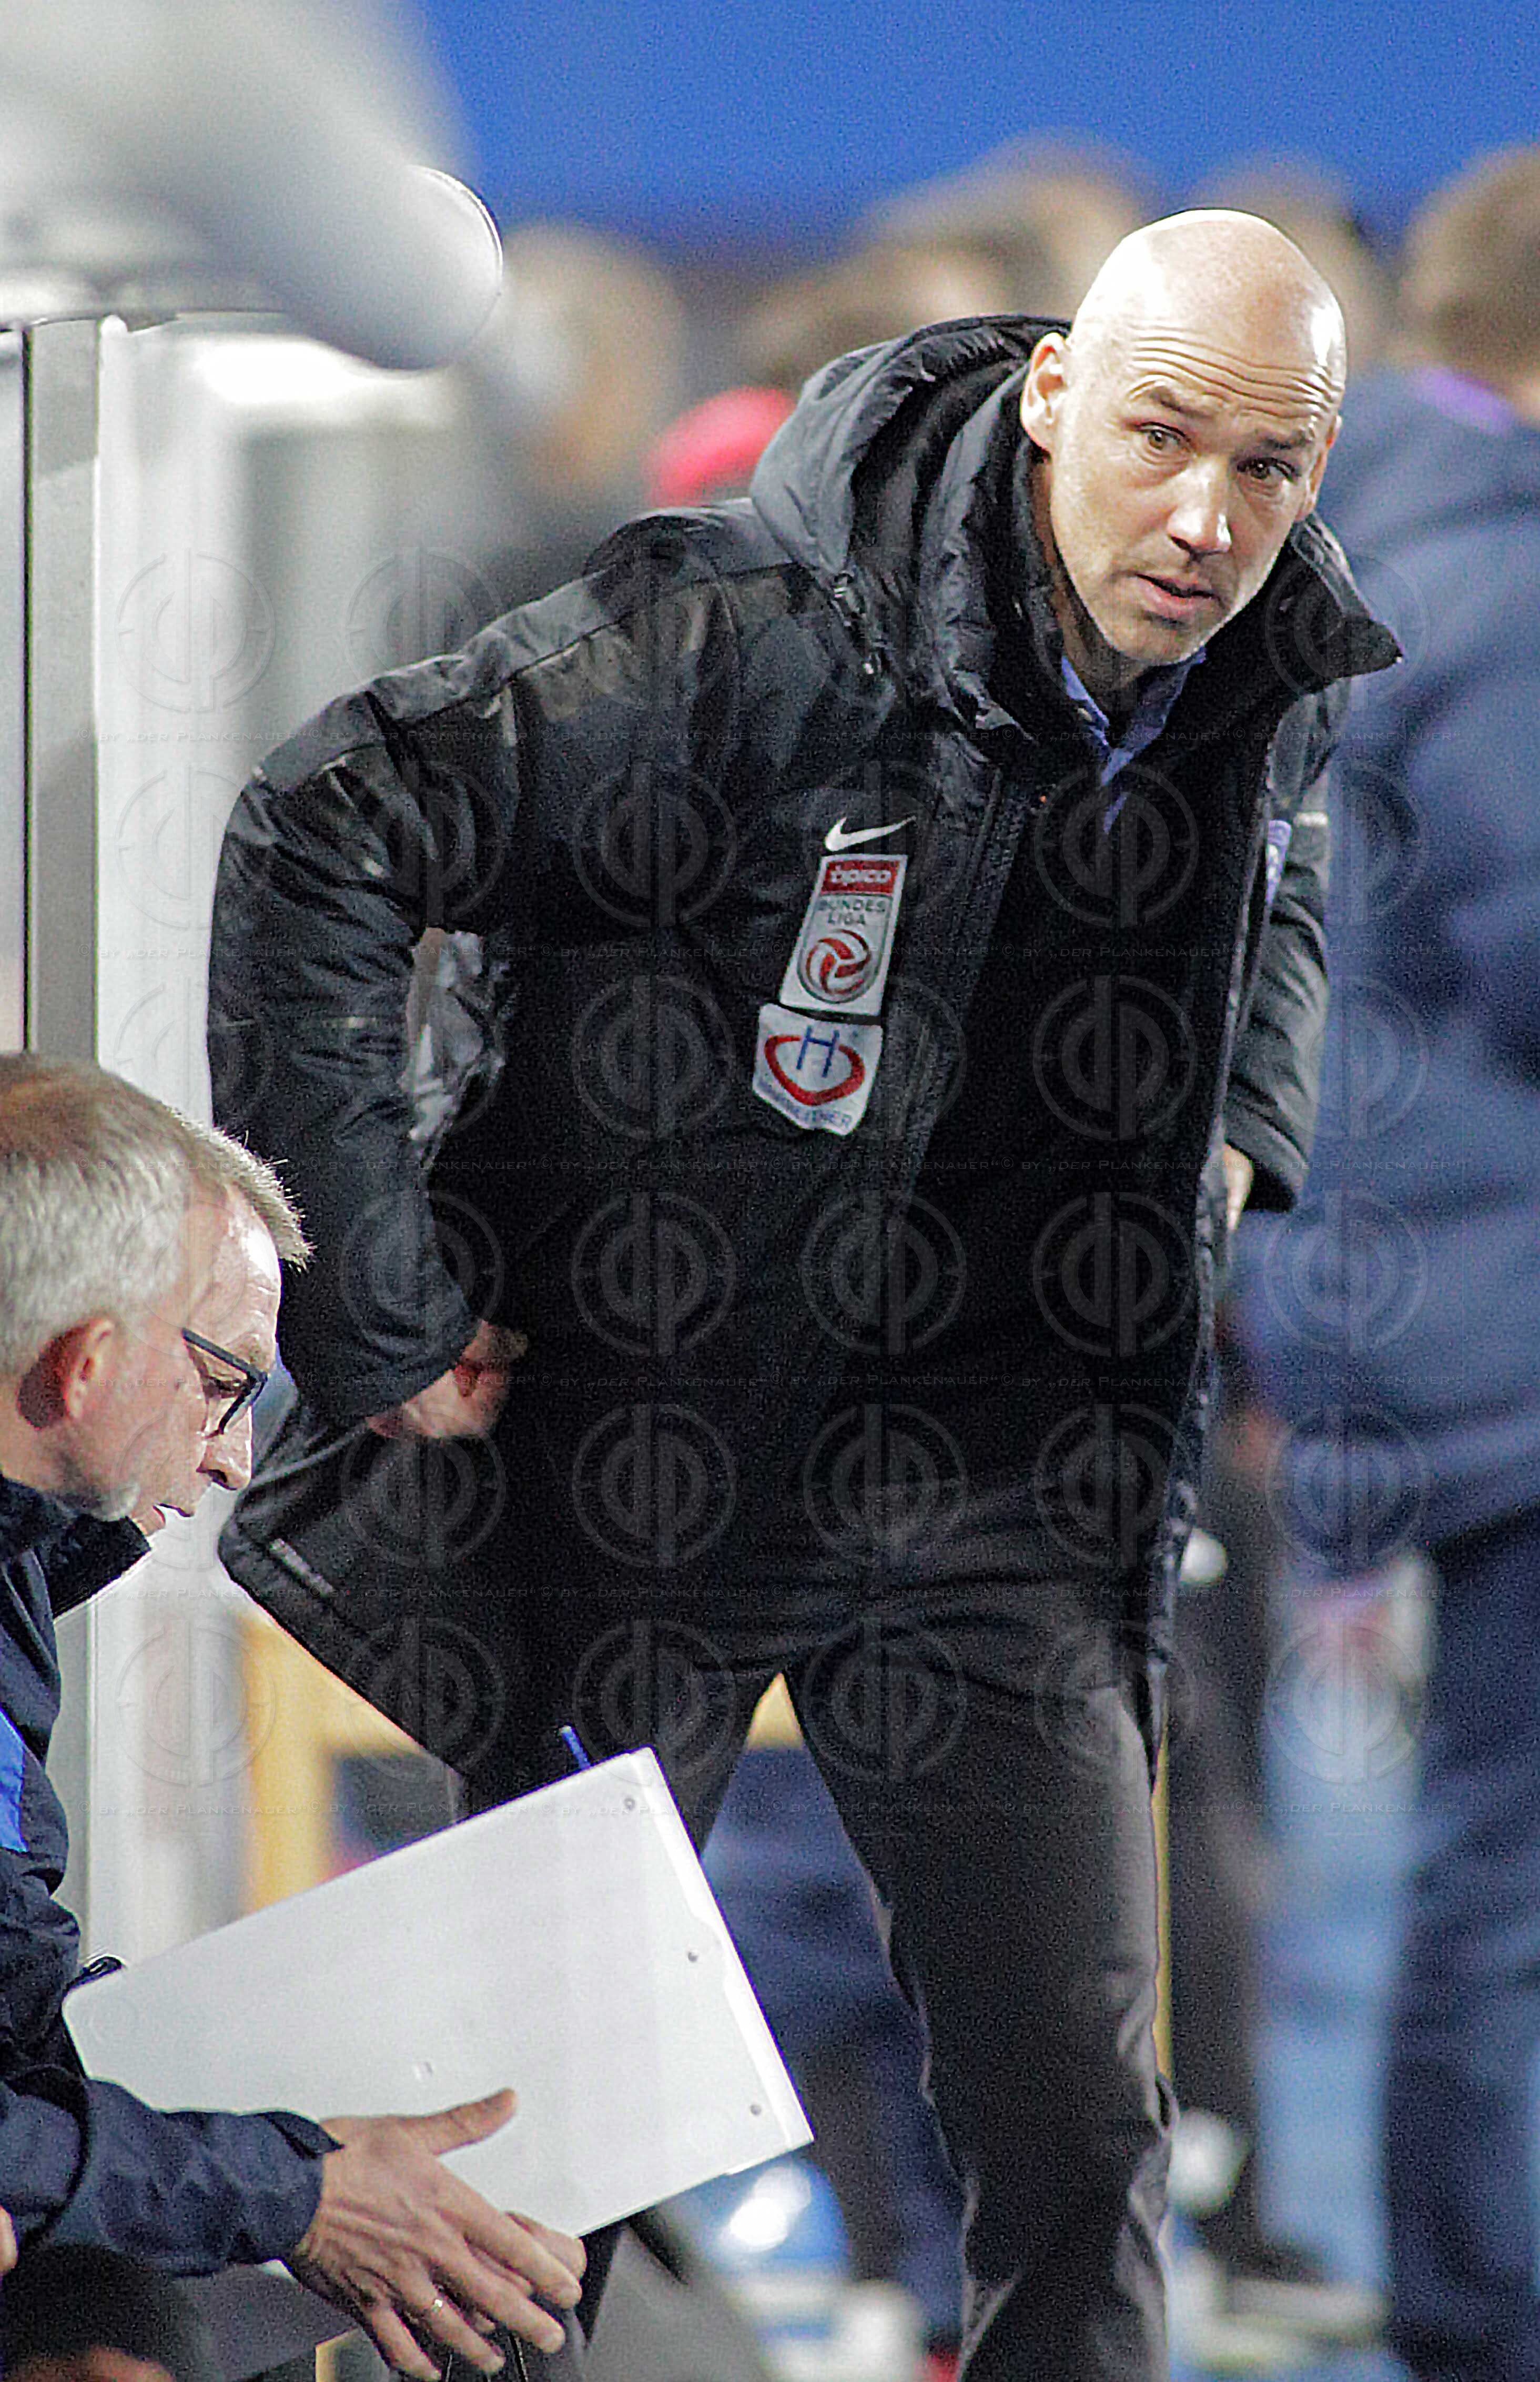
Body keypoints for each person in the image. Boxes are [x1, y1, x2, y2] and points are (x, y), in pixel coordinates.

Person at [207, 210, 1396, 2380]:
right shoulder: (735, 638)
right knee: (538, 2128)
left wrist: (1239, 1130)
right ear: (1052, 395)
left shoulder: (1262, 666)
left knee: (1085, 2130)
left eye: (1271, 469)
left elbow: (1281, 876)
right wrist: (377, 1289)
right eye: (1161, 440)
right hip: (652, 1446)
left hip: (1000, 1489)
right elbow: (323, 827)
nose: (1210, 521)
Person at [0, 1057, 585, 2378]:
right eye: (224, 1380)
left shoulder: (14, 1574)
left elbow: (12, 1983)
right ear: (88, 1362)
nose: (233, 1458)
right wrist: (292, 2187)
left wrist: (298, 2120)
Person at [1245, 147, 1540, 2382]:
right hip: (1506, 1301)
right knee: (1499, 1864)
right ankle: (1483, 2301)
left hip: (1378, 1292)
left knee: (1452, 1841)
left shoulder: (1352, 547)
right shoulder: (1515, 582)